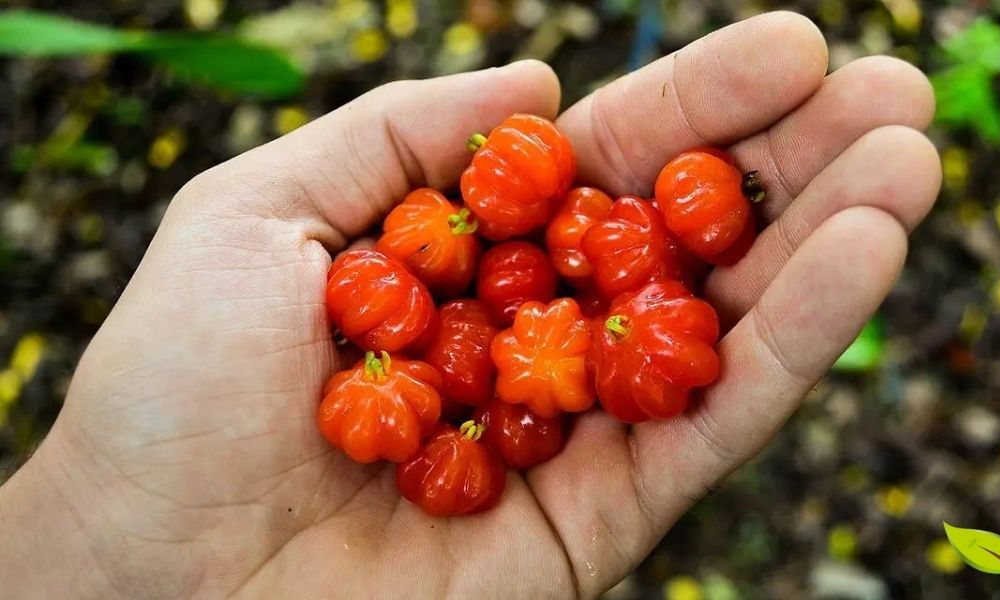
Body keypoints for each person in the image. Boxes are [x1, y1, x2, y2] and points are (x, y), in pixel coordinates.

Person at [0, 12, 940, 598]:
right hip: (502, 357)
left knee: (547, 342)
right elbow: (487, 320)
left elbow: (568, 308)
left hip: (555, 338)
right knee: (527, 341)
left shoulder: (582, 272)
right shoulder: (442, 317)